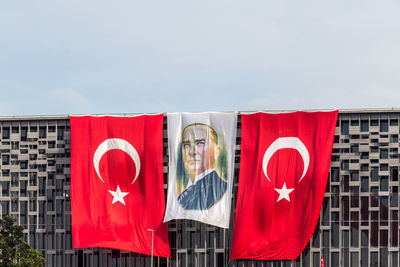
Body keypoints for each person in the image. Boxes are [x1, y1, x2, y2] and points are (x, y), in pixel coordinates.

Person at [176, 123, 227, 210]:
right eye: (187, 145)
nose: (191, 152)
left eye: (199, 143)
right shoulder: (185, 192)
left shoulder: (220, 188)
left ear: (216, 151)